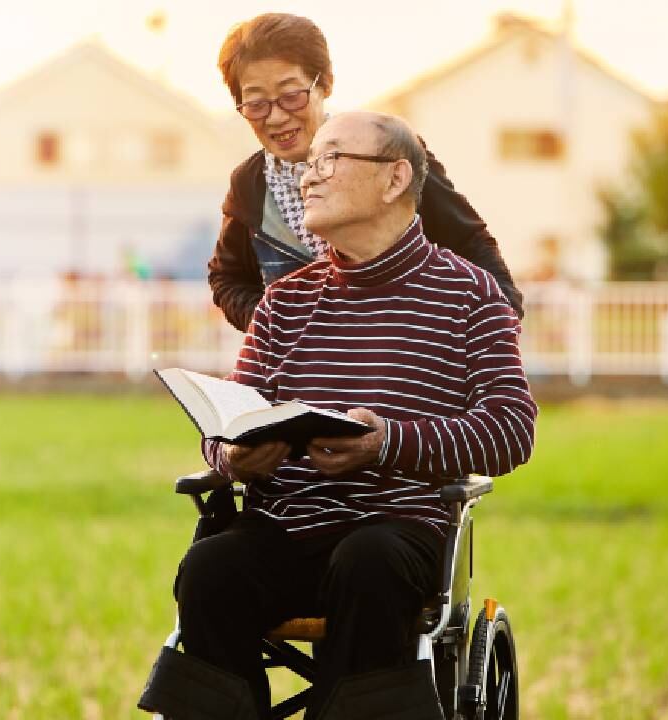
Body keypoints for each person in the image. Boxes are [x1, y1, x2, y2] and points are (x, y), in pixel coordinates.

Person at [142, 112, 537, 720]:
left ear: (394, 178)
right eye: (310, 163)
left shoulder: (470, 295)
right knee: (210, 569)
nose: (308, 177)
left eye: (331, 160)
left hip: (397, 531)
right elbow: (228, 424)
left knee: (366, 562)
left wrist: (388, 443)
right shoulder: (284, 302)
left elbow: (512, 429)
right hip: (287, 528)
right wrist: (235, 455)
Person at [208, 13, 524, 333]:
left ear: (325, 83)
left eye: (291, 96)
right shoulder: (250, 184)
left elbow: (468, 241)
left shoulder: (384, 153)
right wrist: (273, 329)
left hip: (399, 360)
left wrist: (501, 320)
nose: (275, 117)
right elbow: (227, 278)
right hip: (300, 377)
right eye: (257, 104)